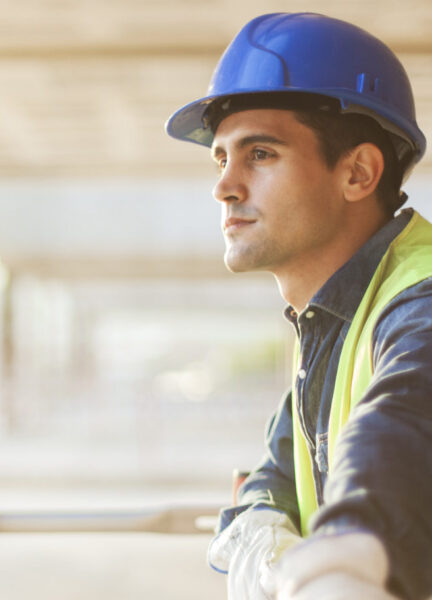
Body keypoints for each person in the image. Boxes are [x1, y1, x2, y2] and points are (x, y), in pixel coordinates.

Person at [166, 12, 432, 600]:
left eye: (260, 154)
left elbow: (407, 419)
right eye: (221, 158)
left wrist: (348, 554)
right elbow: (281, 469)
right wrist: (259, 526)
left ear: (358, 172)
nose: (225, 185)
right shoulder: (332, 317)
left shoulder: (418, 304)